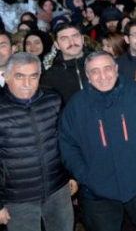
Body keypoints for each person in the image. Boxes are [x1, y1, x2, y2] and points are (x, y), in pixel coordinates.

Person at [59, 51, 136, 231]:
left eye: (107, 69)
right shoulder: (76, 106)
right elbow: (67, 145)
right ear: (88, 76)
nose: (103, 76)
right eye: (95, 71)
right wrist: (84, 175)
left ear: (116, 69)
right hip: (97, 193)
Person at [0, 53, 76, 231]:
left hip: (58, 189)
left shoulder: (53, 100)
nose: (27, 84)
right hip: (18, 198)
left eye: (33, 76)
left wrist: (71, 174)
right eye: (20, 76)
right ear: (6, 77)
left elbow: (66, 142)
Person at [40, 23, 90, 103]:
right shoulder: (50, 75)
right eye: (64, 38)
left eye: (75, 36)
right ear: (57, 45)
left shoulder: (99, 63)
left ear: (82, 39)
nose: (71, 41)